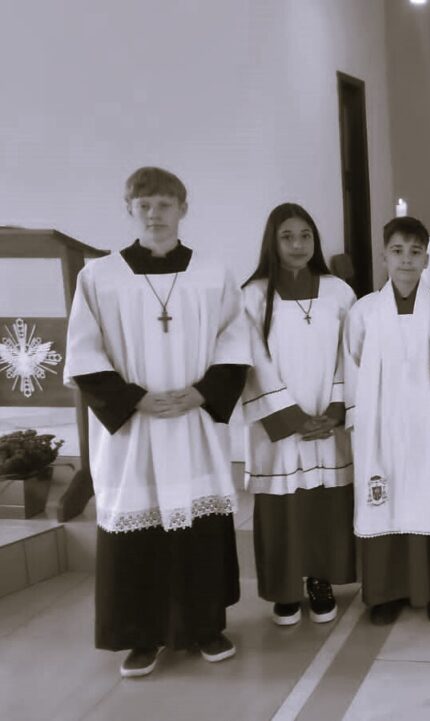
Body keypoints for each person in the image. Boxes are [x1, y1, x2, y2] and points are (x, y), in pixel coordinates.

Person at [63, 166, 251, 678]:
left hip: (193, 424)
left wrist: (203, 392)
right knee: (138, 528)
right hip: (135, 430)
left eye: (165, 204)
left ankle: (206, 627)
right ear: (128, 210)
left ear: (183, 209)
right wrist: (133, 399)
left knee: (199, 526)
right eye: (143, 205)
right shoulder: (99, 278)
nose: (154, 214)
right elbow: (83, 353)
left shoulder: (212, 273)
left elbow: (235, 339)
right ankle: (140, 636)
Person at [344, 216, 430, 626]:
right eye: (397, 251)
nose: (406, 260)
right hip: (381, 425)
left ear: (427, 259)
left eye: (416, 252)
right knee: (385, 500)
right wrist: (358, 422)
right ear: (384, 256)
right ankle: (384, 593)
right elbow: (351, 366)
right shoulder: (364, 311)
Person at [240, 203, 357, 627]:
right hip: (280, 423)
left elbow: (351, 353)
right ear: (272, 242)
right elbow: (251, 361)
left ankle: (321, 581)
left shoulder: (339, 292)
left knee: (324, 504)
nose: (297, 244)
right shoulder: (253, 296)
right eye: (287, 236)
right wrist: (289, 416)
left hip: (327, 417)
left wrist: (336, 409)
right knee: (282, 507)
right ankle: (284, 590)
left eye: (305, 235)